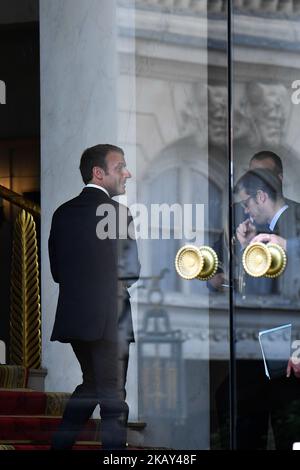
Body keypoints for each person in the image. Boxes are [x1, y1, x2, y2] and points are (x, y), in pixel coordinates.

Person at [48, 144, 140, 450]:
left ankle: (59, 447)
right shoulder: (117, 213)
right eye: (120, 167)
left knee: (91, 385)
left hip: (76, 319)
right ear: (98, 173)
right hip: (110, 320)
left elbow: (57, 271)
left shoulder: (62, 213)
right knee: (113, 397)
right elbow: (131, 271)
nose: (128, 173)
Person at [234, 167, 300, 450]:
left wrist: (297, 343)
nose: (246, 212)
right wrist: (245, 246)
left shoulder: (295, 220)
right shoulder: (262, 232)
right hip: (267, 341)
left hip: (287, 343)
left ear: (260, 197)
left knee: (288, 426)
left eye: (246, 203)